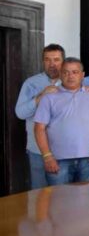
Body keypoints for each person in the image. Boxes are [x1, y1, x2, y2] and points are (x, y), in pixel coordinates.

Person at [33, 57, 89, 185]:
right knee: (59, 201)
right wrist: (47, 156)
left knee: (87, 201)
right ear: (60, 75)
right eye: (66, 72)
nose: (70, 76)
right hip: (58, 161)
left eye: (75, 72)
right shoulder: (49, 98)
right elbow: (39, 128)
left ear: (82, 75)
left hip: (88, 160)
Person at [15, 43, 65, 189]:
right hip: (37, 152)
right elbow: (20, 113)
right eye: (47, 60)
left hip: (64, 151)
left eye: (56, 59)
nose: (52, 64)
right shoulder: (31, 83)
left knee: (63, 197)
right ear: (43, 61)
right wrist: (40, 97)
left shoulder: (73, 82)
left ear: (63, 61)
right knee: (39, 198)